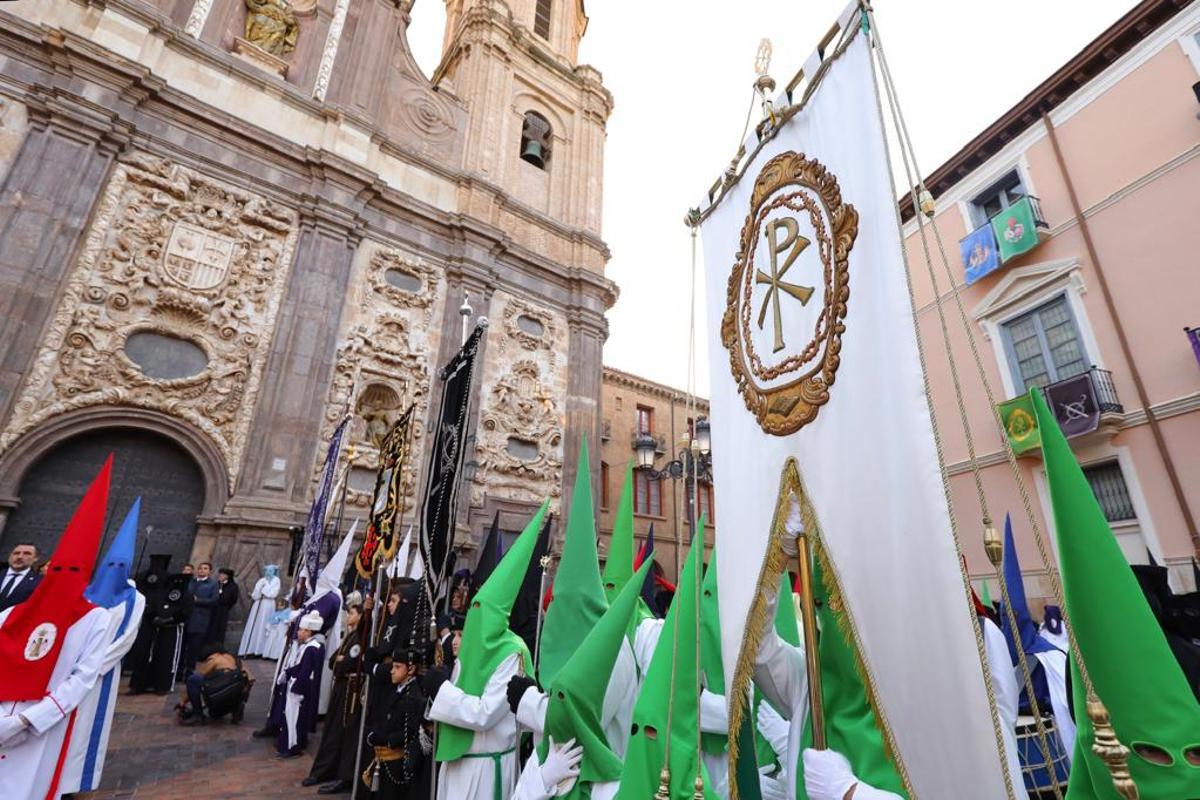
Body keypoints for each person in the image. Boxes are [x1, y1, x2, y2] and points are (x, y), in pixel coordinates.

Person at [754, 502, 903, 800]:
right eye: (822, 607)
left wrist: (848, 792)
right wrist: (777, 557)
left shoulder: (920, 693)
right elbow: (759, 651)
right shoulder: (811, 684)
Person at [0, 458, 114, 800]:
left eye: (72, 570)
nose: (62, 576)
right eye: (57, 569)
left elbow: (83, 675)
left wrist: (28, 720)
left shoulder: (95, 619)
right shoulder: (9, 614)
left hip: (41, 724)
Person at [60, 499, 148, 795]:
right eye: (111, 564)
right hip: (69, 670)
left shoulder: (135, 599)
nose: (115, 569)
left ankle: (77, 780)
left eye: (120, 565)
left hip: (101, 672)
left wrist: (94, 667)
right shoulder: (85, 594)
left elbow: (126, 637)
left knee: (88, 727)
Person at [304, 603, 365, 794]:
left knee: (341, 730)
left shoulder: (359, 638)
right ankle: (324, 770)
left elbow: (345, 663)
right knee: (332, 729)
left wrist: (341, 661)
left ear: (361, 616)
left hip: (349, 691)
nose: (348, 616)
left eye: (352, 613)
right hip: (340, 688)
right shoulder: (349, 635)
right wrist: (340, 661)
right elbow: (333, 662)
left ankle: (342, 775)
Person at [360, 647, 428, 799]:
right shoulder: (394, 689)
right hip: (382, 759)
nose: (392, 671)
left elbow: (410, 731)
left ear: (411, 669)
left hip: (397, 762)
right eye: (393, 666)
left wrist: (385, 739)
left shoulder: (414, 695)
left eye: (397, 667)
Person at [127, 572, 193, 695]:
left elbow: (186, 611)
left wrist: (171, 619)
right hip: (153, 628)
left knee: (166, 657)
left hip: (172, 629)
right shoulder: (159, 593)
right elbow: (150, 606)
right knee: (145, 655)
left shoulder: (187, 596)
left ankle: (162, 685)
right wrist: (155, 618)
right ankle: (140, 684)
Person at [274, 610, 327, 758]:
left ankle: (292, 746)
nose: (298, 632)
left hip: (299, 689)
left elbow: (305, 671)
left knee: (293, 719)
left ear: (309, 632)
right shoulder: (309, 645)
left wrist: (295, 687)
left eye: (302, 630)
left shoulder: (312, 648)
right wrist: (288, 672)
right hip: (299, 685)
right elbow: (300, 665)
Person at [178, 643, 253, 725]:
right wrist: (243, 698)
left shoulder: (214, 659)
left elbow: (199, 677)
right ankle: (235, 708)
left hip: (224, 689)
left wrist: (183, 702)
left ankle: (198, 715)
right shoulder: (233, 658)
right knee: (213, 714)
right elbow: (251, 679)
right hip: (234, 693)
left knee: (193, 680)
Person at [240, 564, 282, 657]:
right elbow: (255, 594)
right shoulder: (261, 580)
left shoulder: (276, 580)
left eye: (270, 571)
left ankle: (261, 650)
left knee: (264, 625)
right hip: (259, 603)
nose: (268, 573)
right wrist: (259, 590)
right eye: (266, 570)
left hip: (268, 604)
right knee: (255, 624)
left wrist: (264, 589)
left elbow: (273, 594)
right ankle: (249, 649)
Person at [184, 562, 219, 673]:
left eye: (205, 568)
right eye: (200, 568)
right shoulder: (191, 581)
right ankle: (178, 672)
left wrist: (197, 600)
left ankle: (189, 671)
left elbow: (214, 600)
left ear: (209, 571)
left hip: (200, 620)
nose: (202, 570)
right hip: (186, 618)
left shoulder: (213, 584)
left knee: (193, 649)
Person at [0, 542, 40, 611]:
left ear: (36, 558)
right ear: (10, 556)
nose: (20, 557)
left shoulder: (40, 581)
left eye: (27, 554)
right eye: (16, 553)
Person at [208, 567, 239, 647]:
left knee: (220, 628)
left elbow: (233, 599)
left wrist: (226, 605)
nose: (220, 576)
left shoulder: (232, 586)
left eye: (223, 574)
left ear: (227, 576)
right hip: (213, 609)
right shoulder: (216, 584)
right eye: (220, 574)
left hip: (223, 610)